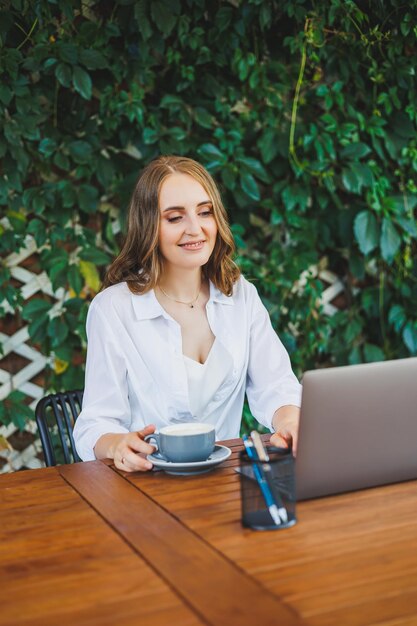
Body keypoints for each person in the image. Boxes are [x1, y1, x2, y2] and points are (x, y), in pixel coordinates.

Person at [73, 155, 302, 472]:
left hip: (225, 481)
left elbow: (277, 386)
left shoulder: (240, 295)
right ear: (149, 226)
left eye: (204, 212)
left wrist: (290, 419)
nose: (195, 229)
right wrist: (116, 444)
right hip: (145, 485)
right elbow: (95, 424)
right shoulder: (114, 308)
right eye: (174, 217)